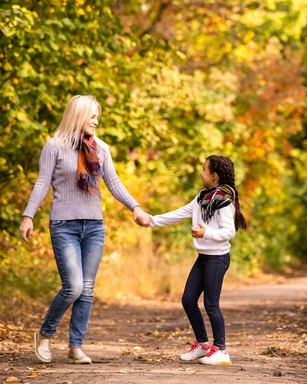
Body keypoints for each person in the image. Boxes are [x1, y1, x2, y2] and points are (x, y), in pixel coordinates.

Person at [19, 95, 152, 365]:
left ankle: (75, 346)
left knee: (88, 289)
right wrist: (28, 215)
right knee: (74, 287)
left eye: (97, 116)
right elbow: (42, 183)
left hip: (93, 226)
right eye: (92, 115)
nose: (96, 120)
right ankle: (44, 334)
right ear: (78, 116)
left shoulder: (101, 148)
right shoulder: (54, 146)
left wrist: (135, 207)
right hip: (64, 225)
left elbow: (114, 183)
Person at [150, 155, 247, 366]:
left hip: (218, 259)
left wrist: (206, 233)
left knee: (211, 304)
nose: (201, 173)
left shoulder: (223, 201)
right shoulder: (202, 196)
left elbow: (228, 232)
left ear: (214, 176)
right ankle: (203, 345)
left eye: (204, 170)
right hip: (203, 258)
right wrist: (152, 221)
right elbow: (180, 213)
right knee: (188, 300)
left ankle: (221, 350)